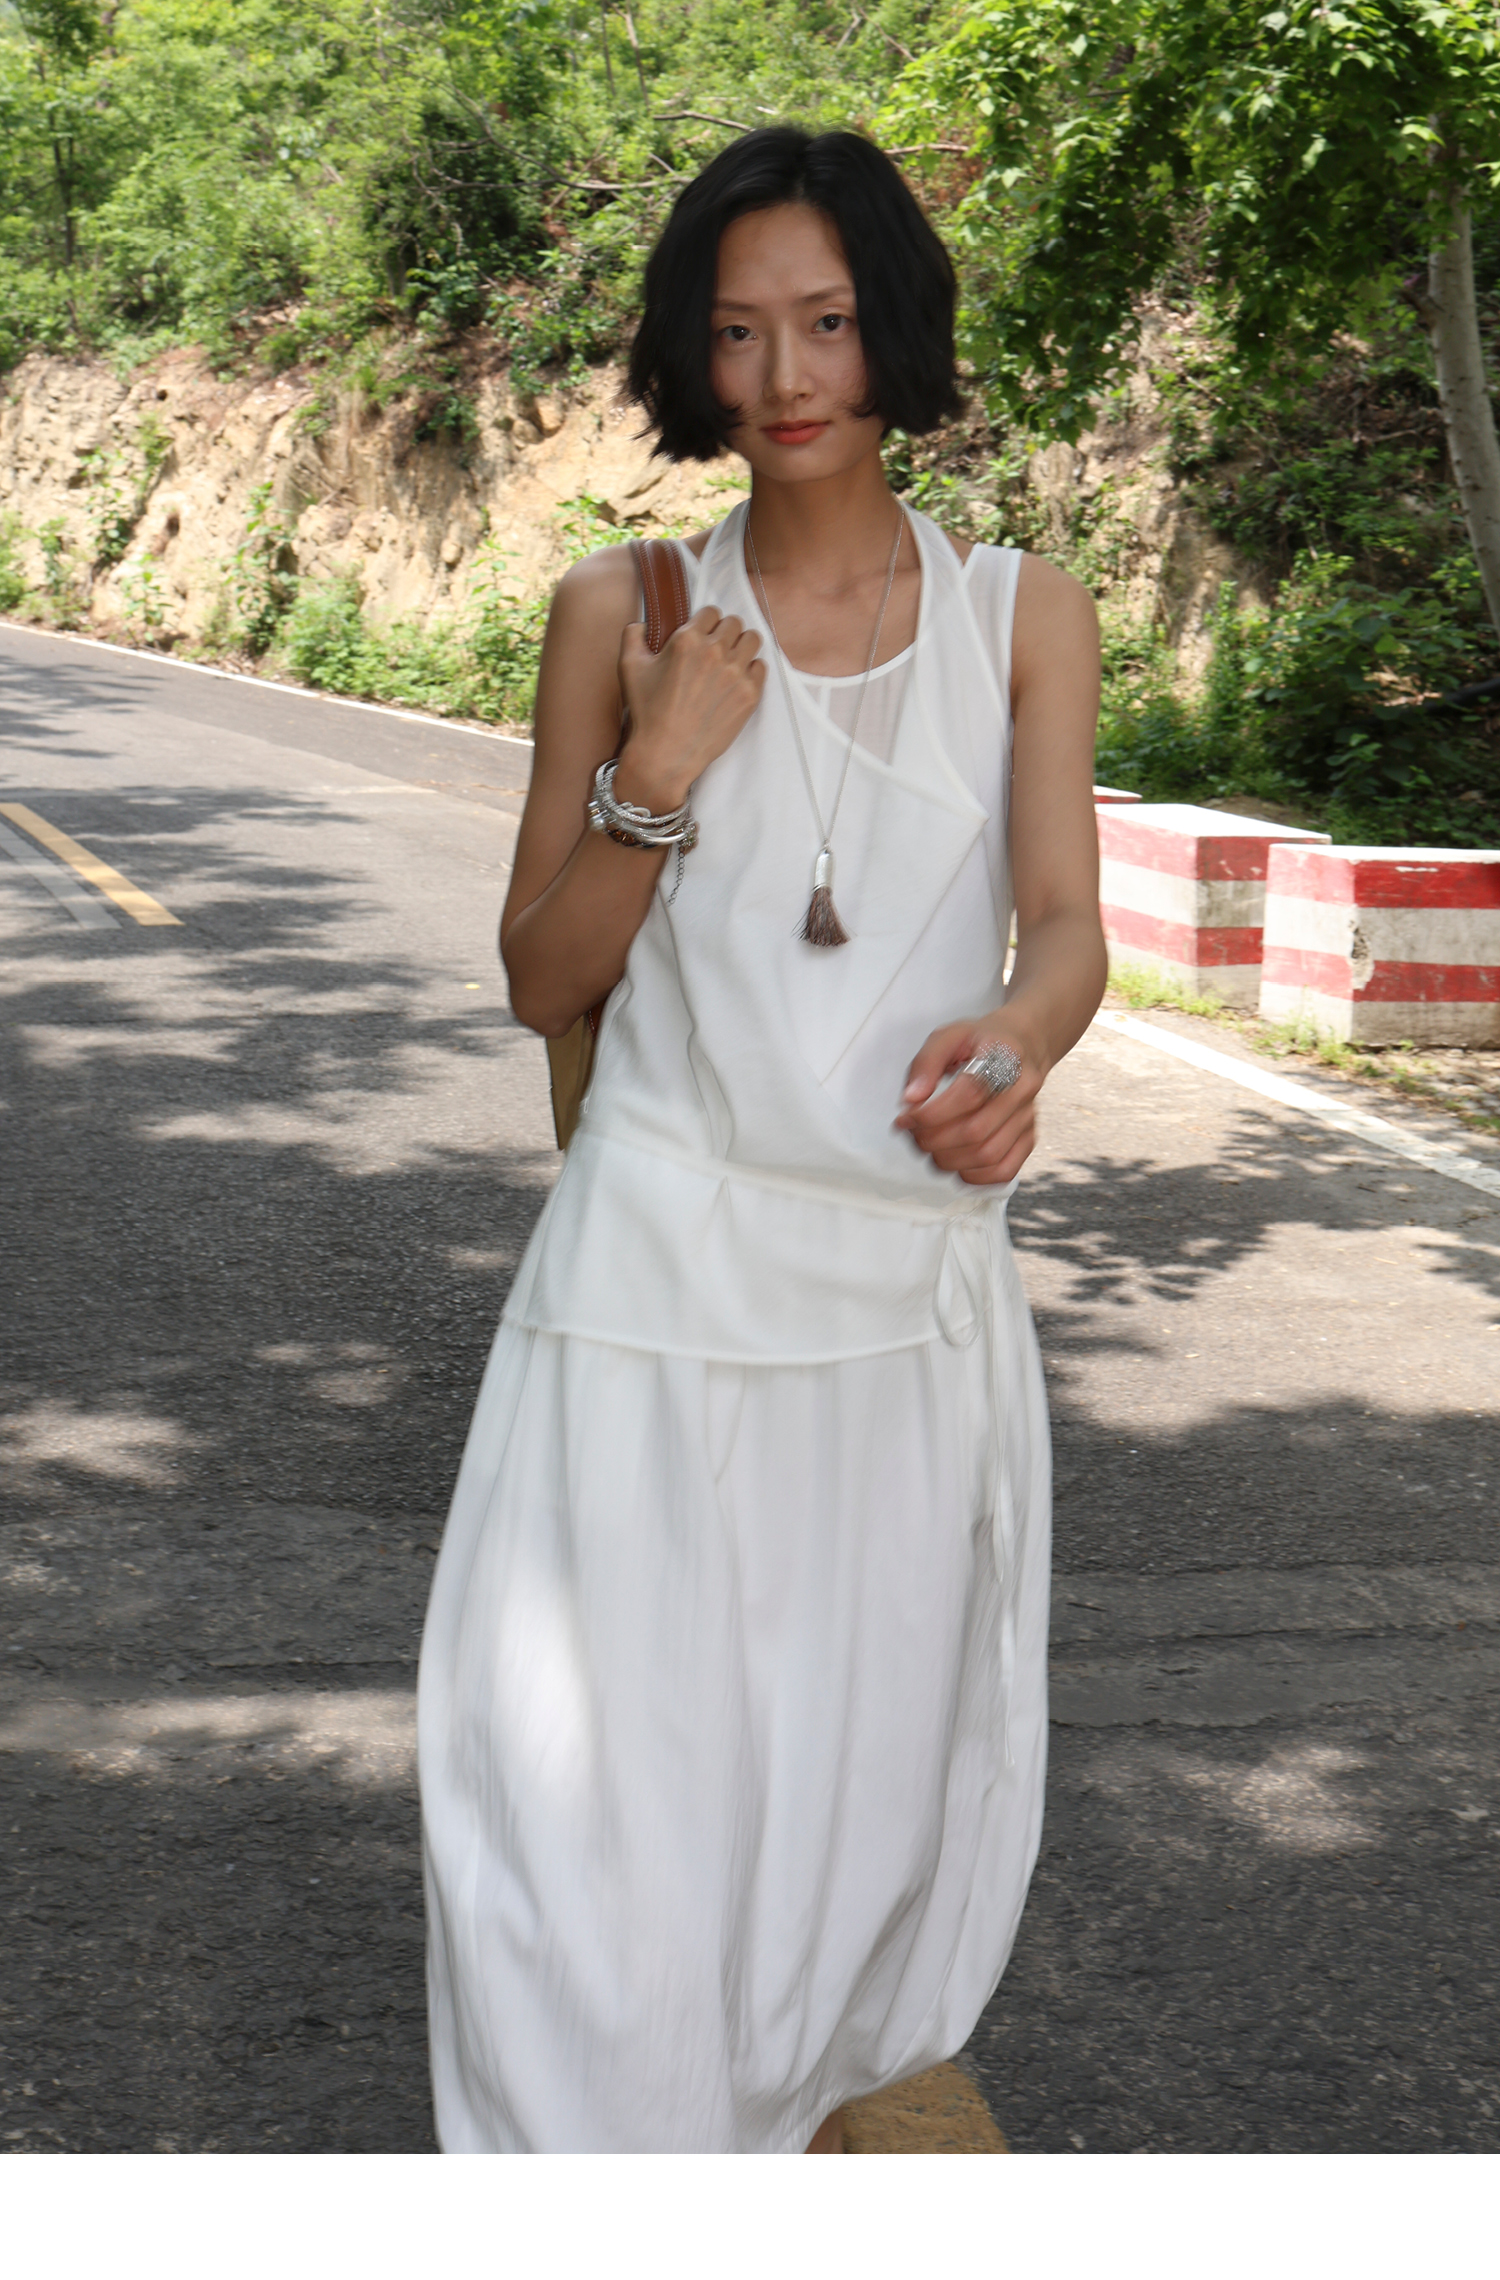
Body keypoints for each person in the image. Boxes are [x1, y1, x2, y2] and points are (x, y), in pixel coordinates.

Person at [417, 125, 1105, 2155]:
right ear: (684, 352)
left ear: (898, 327)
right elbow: (544, 978)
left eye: (826, 321)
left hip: (899, 1312)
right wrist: (657, 768)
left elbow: (1065, 926)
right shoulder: (620, 607)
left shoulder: (1021, 614)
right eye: (735, 333)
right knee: (581, 1841)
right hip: (647, 1292)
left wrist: (1018, 1040)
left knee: (836, 1836)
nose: (785, 376)